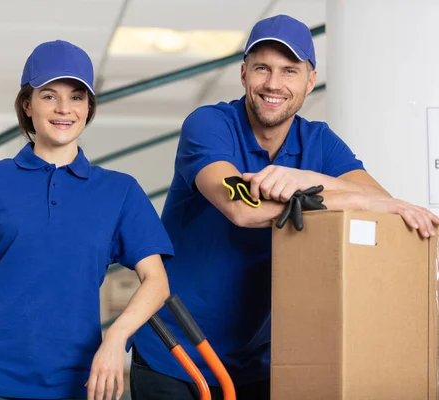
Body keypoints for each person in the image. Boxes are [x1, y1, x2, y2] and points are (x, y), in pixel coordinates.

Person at [130, 14, 439, 400]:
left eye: (289, 71)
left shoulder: (319, 142)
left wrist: (305, 180)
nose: (274, 84)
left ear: (310, 80)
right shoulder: (209, 124)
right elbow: (240, 208)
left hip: (258, 361)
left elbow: (383, 205)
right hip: (176, 353)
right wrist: (345, 196)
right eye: (262, 68)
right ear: (243, 74)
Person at [0, 40, 174, 400]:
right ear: (28, 104)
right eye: (49, 96)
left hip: (72, 380)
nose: (64, 109)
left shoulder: (120, 192)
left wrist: (116, 337)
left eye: (77, 97)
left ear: (89, 107)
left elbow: (157, 282)